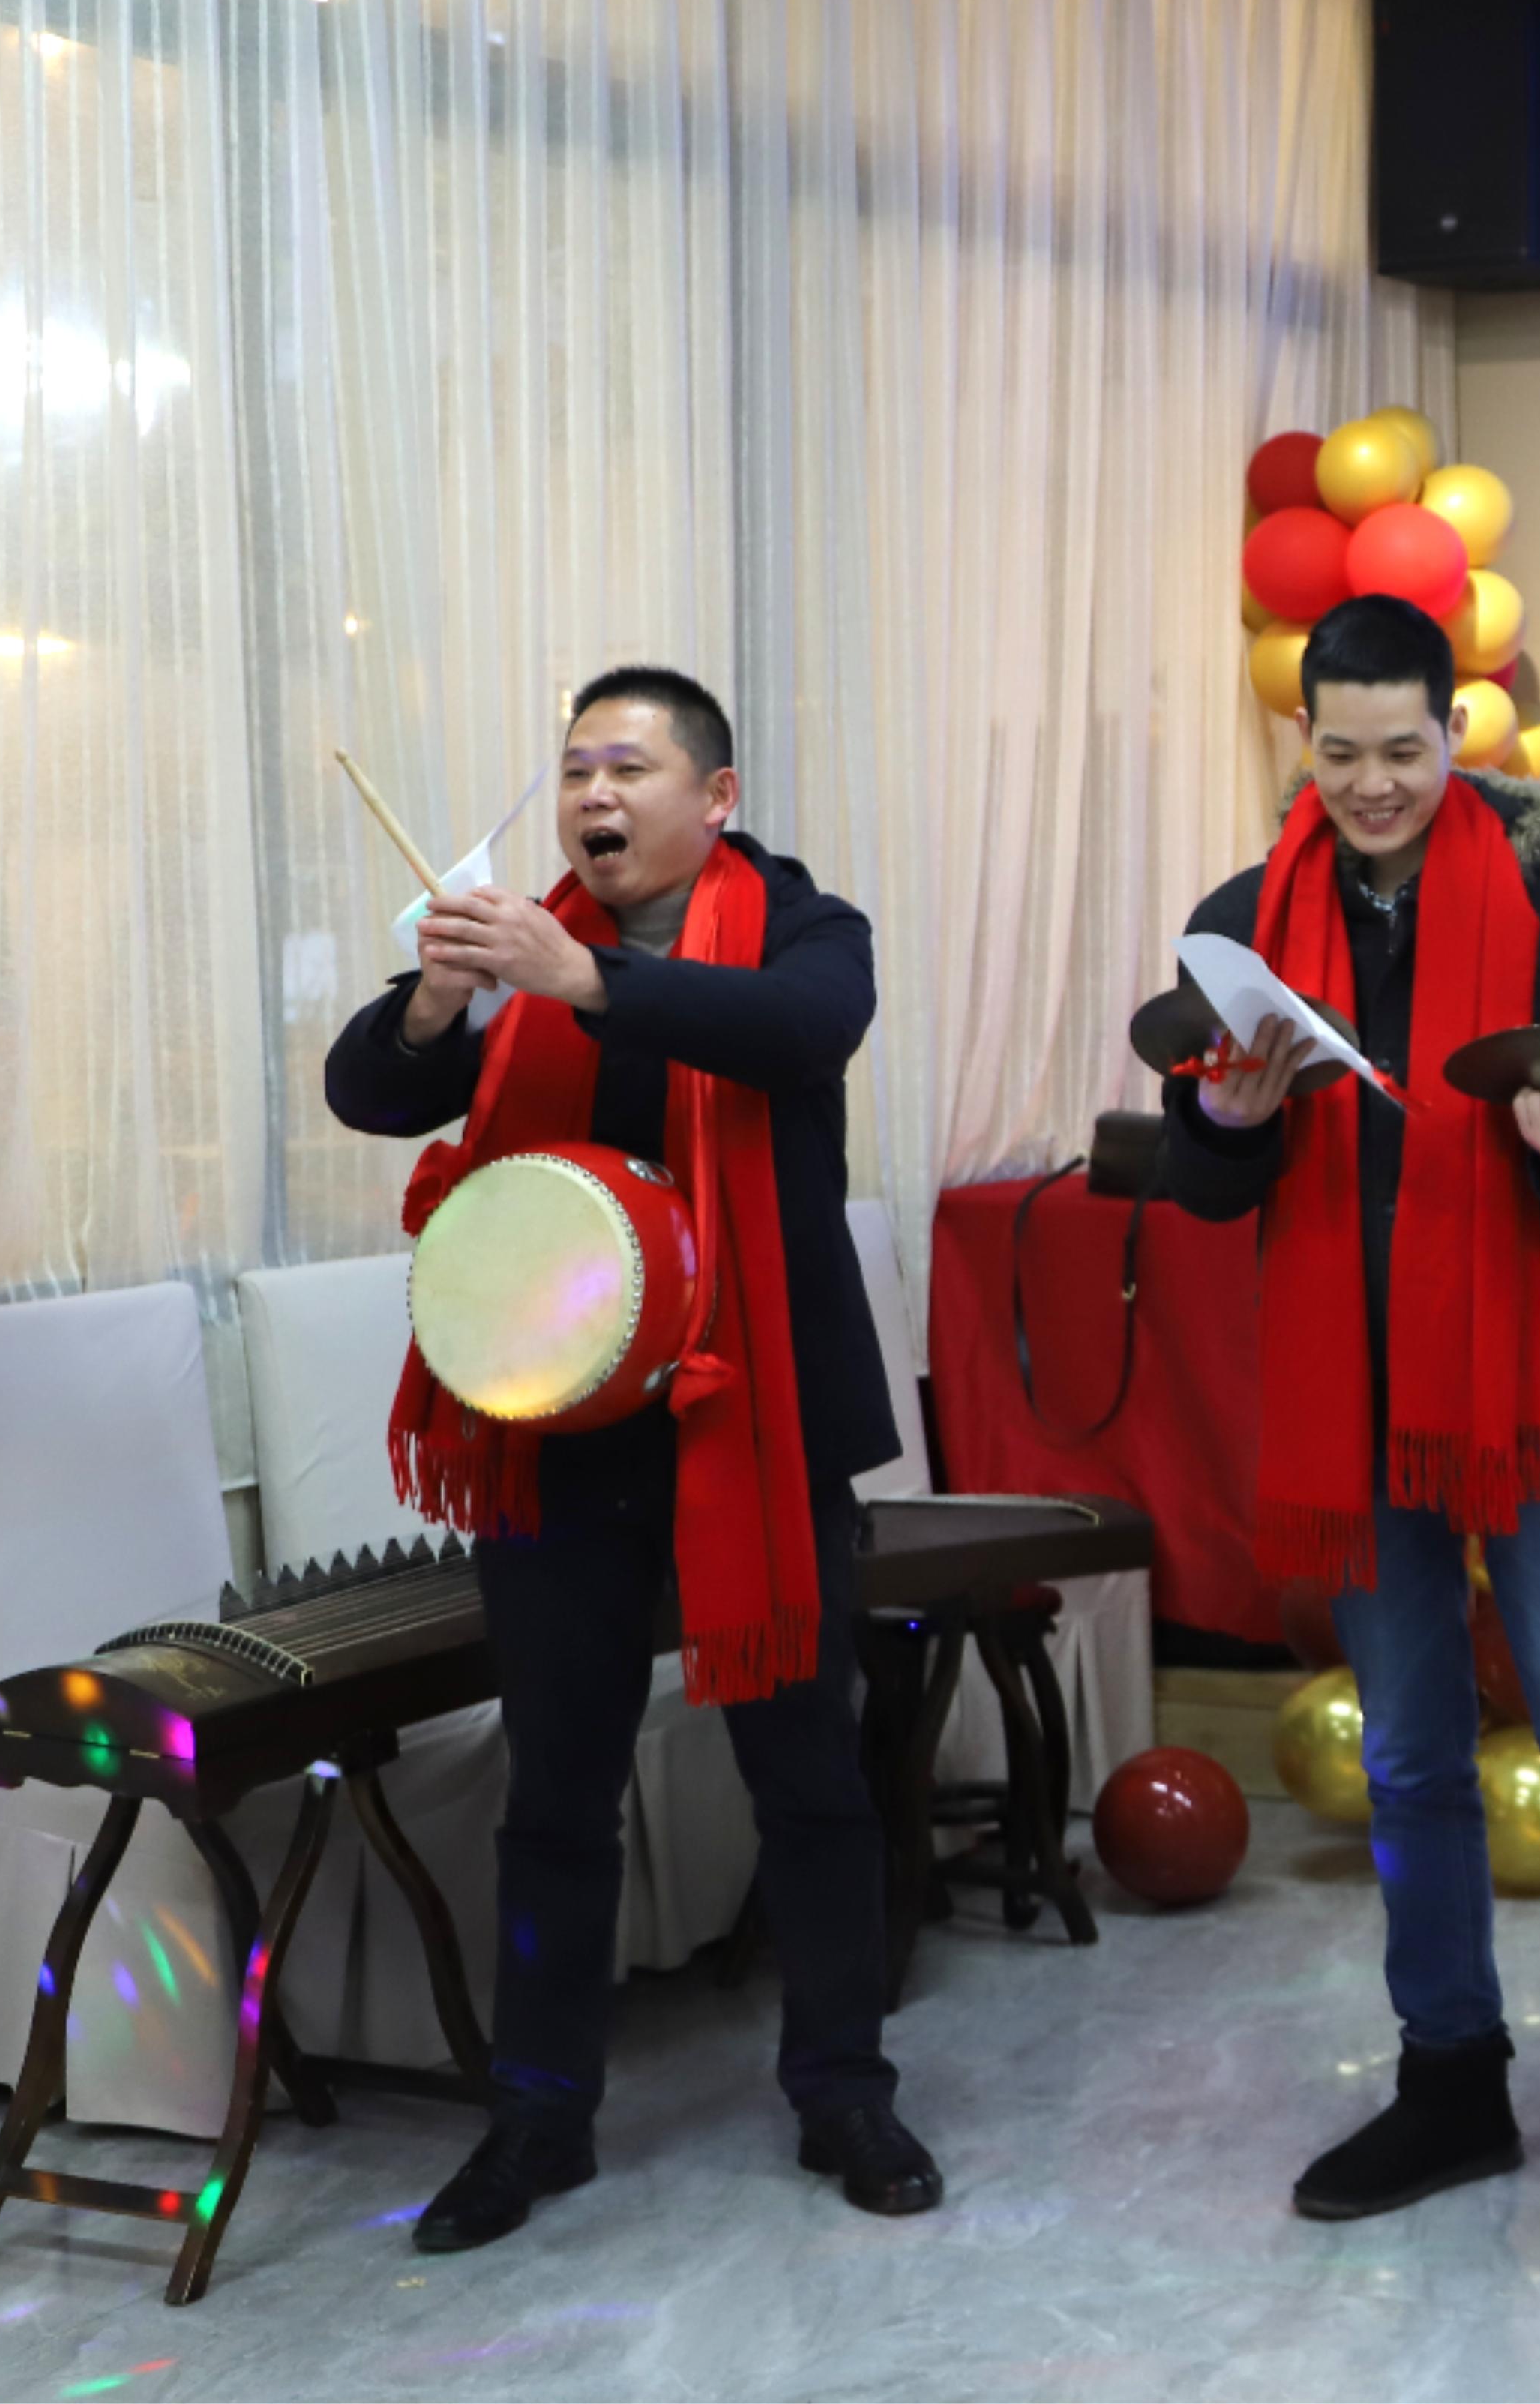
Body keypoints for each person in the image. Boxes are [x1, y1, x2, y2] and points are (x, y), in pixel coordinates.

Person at [327, 667, 942, 2251]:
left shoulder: (802, 926)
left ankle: (844, 2087)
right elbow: (369, 1091)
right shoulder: (524, 946)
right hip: (557, 1425)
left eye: (629, 768)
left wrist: (589, 981)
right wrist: (436, 1004)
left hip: (757, 1414)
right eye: (574, 770)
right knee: (555, 1787)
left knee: (808, 1776)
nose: (593, 797)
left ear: (715, 797)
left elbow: (802, 1032)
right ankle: (539, 2115)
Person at [1149, 594, 1540, 2250]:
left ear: (1455, 732)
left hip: (1535, 1390)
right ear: (1303, 737)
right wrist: (1232, 1122)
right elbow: (1202, 1182)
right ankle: (1452, 2080)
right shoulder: (1243, 923)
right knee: (1407, 1759)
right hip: (1351, 1400)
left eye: (1404, 749)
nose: (1375, 785)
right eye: (1342, 754)